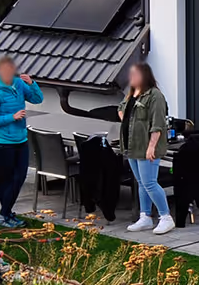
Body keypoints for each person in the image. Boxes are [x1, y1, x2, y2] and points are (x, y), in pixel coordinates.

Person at [71, 62, 173, 234]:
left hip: (146, 146)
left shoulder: (155, 96)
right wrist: (126, 120)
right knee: (141, 182)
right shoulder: (132, 94)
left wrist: (151, 147)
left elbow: (158, 125)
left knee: (149, 182)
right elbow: (120, 108)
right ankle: (145, 216)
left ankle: (166, 217)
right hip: (131, 145)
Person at [0, 55, 44, 229]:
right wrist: (12, 117)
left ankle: (6, 213)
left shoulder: (18, 84)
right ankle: (4, 215)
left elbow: (38, 99)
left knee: (20, 177)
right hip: (3, 142)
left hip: (21, 139)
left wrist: (32, 84)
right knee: (8, 178)